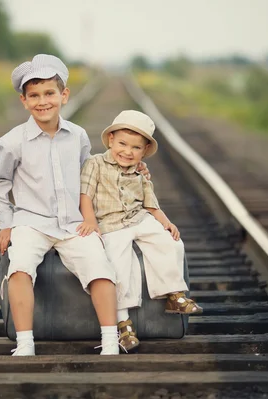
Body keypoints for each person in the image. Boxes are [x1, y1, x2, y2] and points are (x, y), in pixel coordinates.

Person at [0, 55, 149, 356]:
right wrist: (6, 222)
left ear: (64, 95)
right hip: (30, 222)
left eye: (49, 93)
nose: (42, 102)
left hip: (74, 222)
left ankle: (111, 340)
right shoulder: (12, 142)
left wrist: (133, 170)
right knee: (19, 266)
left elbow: (92, 172)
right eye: (34, 96)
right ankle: (25, 343)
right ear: (24, 101)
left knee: (100, 267)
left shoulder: (78, 136)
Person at [78, 110, 204, 352]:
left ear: (144, 151)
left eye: (136, 148)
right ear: (111, 139)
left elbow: (150, 201)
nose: (128, 152)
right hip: (110, 223)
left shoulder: (140, 171)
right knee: (118, 264)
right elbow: (86, 193)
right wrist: (90, 220)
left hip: (138, 218)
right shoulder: (95, 163)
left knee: (170, 242)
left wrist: (165, 221)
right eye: (123, 144)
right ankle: (123, 323)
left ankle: (173, 294)